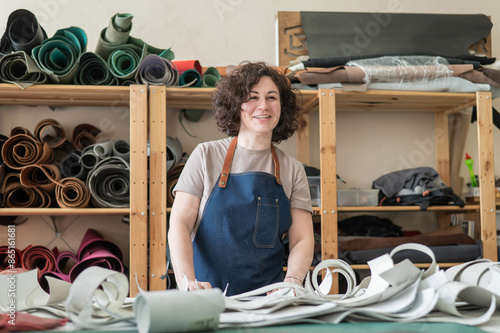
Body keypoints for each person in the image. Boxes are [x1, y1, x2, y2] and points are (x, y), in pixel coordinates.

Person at [168, 61, 314, 296]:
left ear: (282, 106)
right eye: (252, 97)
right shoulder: (205, 155)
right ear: (236, 105)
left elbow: (302, 239)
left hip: (268, 302)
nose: (263, 106)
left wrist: (293, 282)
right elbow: (180, 224)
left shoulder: (293, 170)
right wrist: (188, 282)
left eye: (272, 97)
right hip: (206, 296)